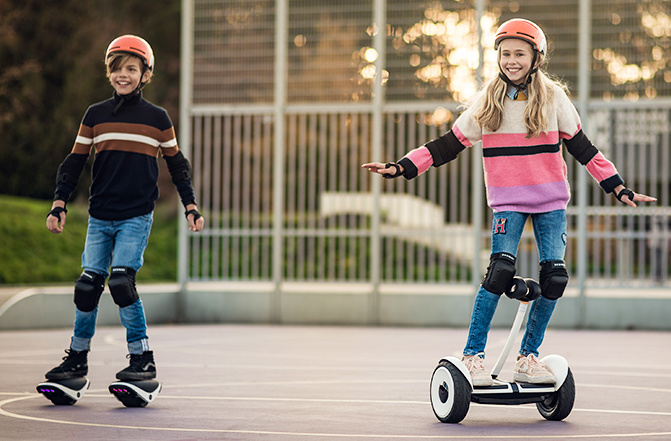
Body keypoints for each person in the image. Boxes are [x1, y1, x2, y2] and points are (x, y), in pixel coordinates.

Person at [363, 19, 655, 386]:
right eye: (505, 54)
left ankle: (528, 356)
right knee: (499, 272)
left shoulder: (553, 98)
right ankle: (472, 356)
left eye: (520, 53)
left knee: (555, 278)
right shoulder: (488, 100)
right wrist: (402, 166)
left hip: (550, 200)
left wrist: (618, 188)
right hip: (508, 201)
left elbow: (584, 149)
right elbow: (447, 145)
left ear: (537, 57)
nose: (511, 60)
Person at [44, 35, 204, 382]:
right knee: (87, 286)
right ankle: (77, 359)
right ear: (109, 73)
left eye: (132, 69)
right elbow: (74, 162)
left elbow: (178, 166)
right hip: (100, 215)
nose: (123, 75)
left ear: (146, 74)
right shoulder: (95, 115)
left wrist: (190, 205)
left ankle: (142, 358)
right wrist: (59, 203)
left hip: (135, 215)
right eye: (117, 69)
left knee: (121, 282)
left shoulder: (158, 119)